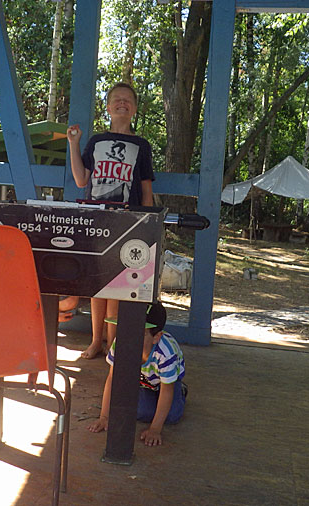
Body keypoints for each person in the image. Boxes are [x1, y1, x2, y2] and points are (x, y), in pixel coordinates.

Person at [66, 82, 155, 359]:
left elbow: (147, 188)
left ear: (135, 108)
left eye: (128, 99)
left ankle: (112, 345)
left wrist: (148, 223)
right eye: (117, 98)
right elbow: (81, 179)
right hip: (98, 220)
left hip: (127, 222)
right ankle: (96, 341)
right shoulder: (96, 142)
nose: (122, 103)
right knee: (97, 285)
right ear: (107, 107)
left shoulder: (142, 146)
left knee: (117, 286)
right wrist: (73, 143)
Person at [87, 302, 187, 447]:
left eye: (140, 333)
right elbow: (112, 378)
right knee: (141, 412)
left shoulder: (166, 353)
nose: (130, 337)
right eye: (126, 328)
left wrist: (155, 429)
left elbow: (167, 390)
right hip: (143, 382)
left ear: (156, 337)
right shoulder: (120, 343)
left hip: (166, 383)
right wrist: (104, 417)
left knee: (172, 416)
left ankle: (181, 391)